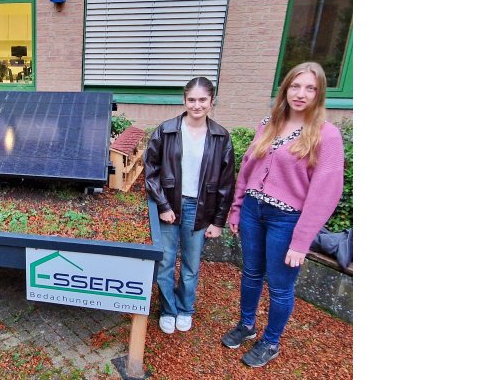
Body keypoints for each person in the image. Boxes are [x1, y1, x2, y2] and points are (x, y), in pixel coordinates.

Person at [220, 62, 344, 368]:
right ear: (285, 89)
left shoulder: (326, 136)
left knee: (279, 285)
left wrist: (301, 241)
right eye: (295, 86)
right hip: (253, 211)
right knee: (250, 273)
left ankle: (271, 341)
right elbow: (247, 168)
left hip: (286, 221)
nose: (301, 94)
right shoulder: (269, 123)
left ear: (319, 94)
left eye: (310, 88)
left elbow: (325, 192)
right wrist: (236, 209)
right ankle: (246, 325)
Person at [144, 77, 235, 334]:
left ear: (211, 101)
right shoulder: (167, 130)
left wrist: (218, 221)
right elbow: (151, 170)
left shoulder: (220, 136)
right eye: (192, 100)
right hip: (170, 206)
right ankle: (168, 309)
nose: (197, 105)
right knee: (165, 262)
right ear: (184, 100)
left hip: (201, 208)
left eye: (202, 100)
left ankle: (185, 309)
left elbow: (227, 183)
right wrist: (162, 204)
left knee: (191, 265)